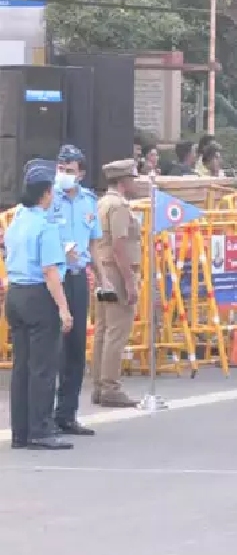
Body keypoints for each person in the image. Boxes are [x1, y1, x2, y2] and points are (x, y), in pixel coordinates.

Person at [5, 160, 74, 450]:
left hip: (16, 294)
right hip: (37, 296)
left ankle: (21, 431)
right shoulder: (44, 226)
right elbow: (49, 271)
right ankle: (41, 429)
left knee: (22, 366)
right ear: (46, 193)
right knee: (43, 367)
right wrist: (64, 308)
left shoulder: (17, 219)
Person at [50, 145, 102, 434]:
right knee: (52, 347)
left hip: (78, 276)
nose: (64, 175)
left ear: (80, 174)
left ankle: (67, 414)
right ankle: (44, 414)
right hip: (53, 277)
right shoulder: (49, 198)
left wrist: (101, 275)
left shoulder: (88, 201)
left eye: (70, 171)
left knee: (75, 348)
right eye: (61, 169)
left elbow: (93, 243)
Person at [90, 160, 142, 408]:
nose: (135, 182)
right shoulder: (119, 206)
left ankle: (99, 385)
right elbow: (120, 245)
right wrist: (130, 282)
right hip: (117, 271)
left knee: (103, 330)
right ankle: (110, 385)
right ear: (124, 181)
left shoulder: (101, 203)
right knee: (117, 331)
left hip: (103, 271)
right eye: (133, 178)